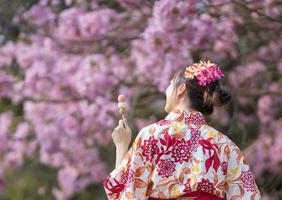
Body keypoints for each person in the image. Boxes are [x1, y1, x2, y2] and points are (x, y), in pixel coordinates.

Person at [103, 61, 261, 200]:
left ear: (181, 89)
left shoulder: (153, 135)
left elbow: (126, 193)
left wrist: (122, 146)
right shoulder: (226, 146)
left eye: (170, 84)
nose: (166, 90)